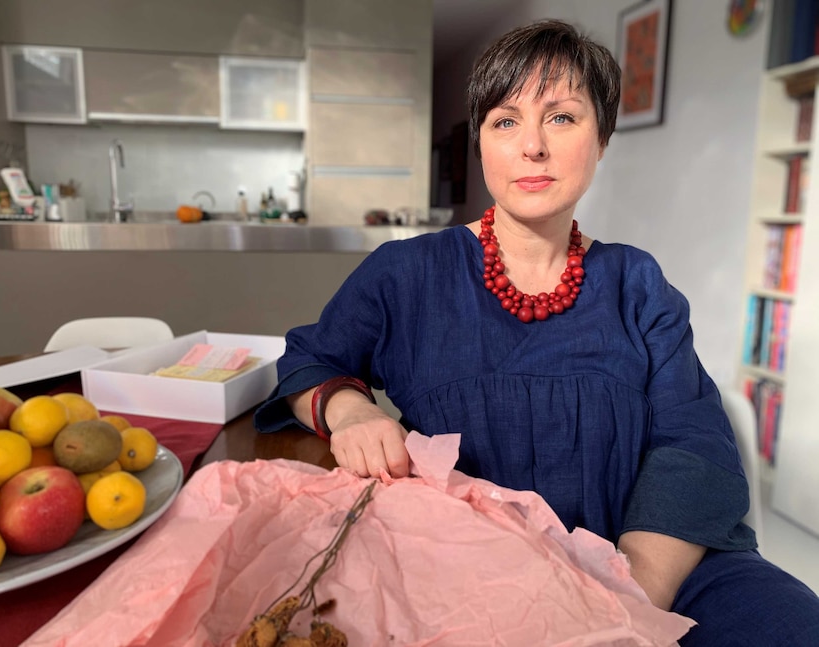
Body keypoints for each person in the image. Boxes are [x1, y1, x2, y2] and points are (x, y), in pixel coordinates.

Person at [255, 19, 819, 645]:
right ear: (482, 144)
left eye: (561, 117)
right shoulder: (407, 272)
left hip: (660, 566)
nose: (532, 147)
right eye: (505, 120)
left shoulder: (637, 282)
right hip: (476, 570)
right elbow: (308, 359)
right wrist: (350, 410)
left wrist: (630, 598)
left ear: (601, 138)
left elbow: (693, 441)